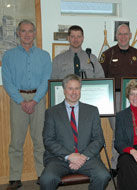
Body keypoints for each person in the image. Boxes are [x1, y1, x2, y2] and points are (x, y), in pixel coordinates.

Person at [1, 19, 52, 190]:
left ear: (35, 33)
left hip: (38, 97)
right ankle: (15, 177)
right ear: (18, 33)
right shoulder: (8, 56)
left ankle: (42, 174)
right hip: (18, 100)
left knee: (39, 140)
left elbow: (46, 80)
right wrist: (21, 101)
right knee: (16, 141)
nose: (27, 34)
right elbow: (7, 81)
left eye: (30, 31)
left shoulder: (44, 56)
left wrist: (35, 100)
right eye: (23, 31)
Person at [40, 74, 111, 190]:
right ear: (64, 90)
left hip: (86, 157)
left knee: (103, 176)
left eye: (77, 88)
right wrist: (69, 156)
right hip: (59, 159)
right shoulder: (52, 113)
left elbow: (98, 139)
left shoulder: (92, 111)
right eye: (70, 88)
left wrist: (83, 157)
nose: (74, 92)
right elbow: (48, 140)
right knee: (46, 179)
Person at [100, 24, 137, 175]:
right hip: (115, 97)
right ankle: (115, 164)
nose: (123, 36)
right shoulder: (107, 54)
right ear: (116, 36)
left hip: (133, 99)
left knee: (133, 131)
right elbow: (102, 77)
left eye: (126, 34)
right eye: (120, 34)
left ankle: (131, 162)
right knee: (118, 132)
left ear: (130, 35)